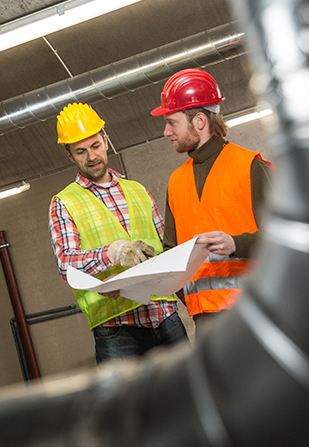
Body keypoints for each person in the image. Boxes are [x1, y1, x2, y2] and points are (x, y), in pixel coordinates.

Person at [49, 102, 187, 364]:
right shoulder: (64, 202)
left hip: (164, 314)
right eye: (80, 151)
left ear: (106, 140)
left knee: (190, 398)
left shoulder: (138, 190)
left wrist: (185, 297)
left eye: (96, 146)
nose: (91, 156)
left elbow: (166, 248)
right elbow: (66, 264)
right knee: (130, 406)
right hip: (117, 327)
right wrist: (111, 254)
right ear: (69, 155)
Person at [151, 68, 275, 338]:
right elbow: (171, 252)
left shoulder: (249, 166)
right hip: (205, 323)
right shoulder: (176, 182)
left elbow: (285, 236)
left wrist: (236, 244)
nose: (166, 131)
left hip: (254, 313)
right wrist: (137, 281)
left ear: (198, 121)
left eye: (172, 122)